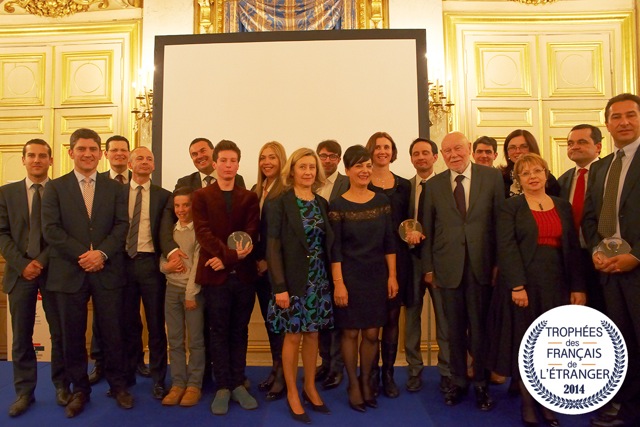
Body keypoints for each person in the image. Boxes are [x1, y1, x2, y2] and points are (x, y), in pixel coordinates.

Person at [41, 128, 132, 417]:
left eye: (93, 149)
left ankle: (118, 385)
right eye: (81, 149)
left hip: (107, 270)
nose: (88, 154)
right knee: (72, 335)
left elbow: (122, 225)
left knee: (113, 332)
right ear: (71, 152)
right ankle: (80, 389)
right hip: (70, 272)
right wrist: (85, 255)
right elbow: (51, 230)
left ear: (101, 153)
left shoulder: (115, 188)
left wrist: (101, 253)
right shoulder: (55, 187)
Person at [490, 153, 586, 426]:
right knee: (526, 344)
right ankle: (528, 405)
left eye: (537, 171)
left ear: (546, 174)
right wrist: (517, 285)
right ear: (518, 180)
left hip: (557, 285)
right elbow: (506, 248)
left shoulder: (562, 206)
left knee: (550, 345)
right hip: (524, 285)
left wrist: (578, 287)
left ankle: (547, 402)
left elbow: (573, 249)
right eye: (525, 173)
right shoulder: (510, 207)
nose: (532, 177)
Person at [421, 131, 503, 411]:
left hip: (482, 267)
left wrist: (498, 264)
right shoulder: (434, 185)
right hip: (447, 269)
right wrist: (429, 268)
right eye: (447, 151)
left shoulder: (491, 177)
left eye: (458, 148)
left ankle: (480, 383)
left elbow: (499, 224)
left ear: (469, 148)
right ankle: (458, 381)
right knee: (454, 331)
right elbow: (428, 229)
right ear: (441, 156)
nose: (453, 154)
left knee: (480, 330)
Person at [0, 139, 69, 417]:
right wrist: (23, 264)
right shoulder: (6, 193)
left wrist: (40, 261)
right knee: (21, 337)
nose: (37, 160)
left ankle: (62, 386)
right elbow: (2, 233)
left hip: (55, 272)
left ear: (51, 160)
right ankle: (24, 392)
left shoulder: (63, 193)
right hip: (20, 274)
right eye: (31, 155)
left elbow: (64, 233)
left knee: (60, 333)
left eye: (42, 156)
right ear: (23, 159)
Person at [191, 140, 260, 416]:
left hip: (244, 276)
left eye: (233, 161)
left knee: (239, 331)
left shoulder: (249, 197)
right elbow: (203, 233)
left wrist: (229, 259)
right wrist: (228, 256)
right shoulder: (201, 196)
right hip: (215, 275)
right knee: (218, 331)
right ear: (215, 163)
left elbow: (251, 233)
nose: (228, 165)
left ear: (238, 164)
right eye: (223, 160)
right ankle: (222, 386)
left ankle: (238, 383)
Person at [583, 93, 640, 427]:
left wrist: (636, 256)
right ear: (607, 124)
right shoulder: (601, 167)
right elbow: (591, 217)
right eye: (616, 117)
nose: (624, 122)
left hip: (636, 268)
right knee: (624, 344)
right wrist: (596, 250)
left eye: (630, 114)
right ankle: (628, 410)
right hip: (609, 270)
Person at [266, 148, 333, 424]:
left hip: (318, 279)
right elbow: (272, 248)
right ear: (292, 171)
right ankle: (293, 392)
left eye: (312, 167)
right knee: (292, 336)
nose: (308, 172)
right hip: (291, 281)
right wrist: (279, 287)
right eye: (302, 167)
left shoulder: (321, 203)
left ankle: (309, 387)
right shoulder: (279, 203)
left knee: (313, 334)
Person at [329, 144, 397, 412]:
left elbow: (389, 242)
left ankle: (367, 380)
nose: (365, 170)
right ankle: (353, 384)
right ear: (347, 170)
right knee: (350, 332)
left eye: (368, 165)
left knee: (371, 333)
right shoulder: (338, 205)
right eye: (359, 166)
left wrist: (392, 276)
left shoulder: (382, 201)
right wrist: (339, 284)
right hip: (349, 277)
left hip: (377, 276)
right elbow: (335, 249)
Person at [90, 135, 150, 385]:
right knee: (103, 315)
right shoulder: (97, 183)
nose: (119, 154)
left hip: (135, 259)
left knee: (132, 316)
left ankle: (136, 360)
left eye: (124, 150)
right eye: (114, 150)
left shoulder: (139, 181)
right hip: (107, 259)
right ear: (106, 154)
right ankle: (100, 362)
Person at [121, 147, 173, 399]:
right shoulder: (116, 193)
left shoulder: (164, 196)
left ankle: (159, 379)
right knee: (128, 323)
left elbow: (167, 232)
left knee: (155, 324)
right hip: (123, 264)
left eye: (149, 159)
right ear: (130, 164)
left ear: (154, 166)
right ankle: (129, 373)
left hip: (151, 265)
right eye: (139, 158)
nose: (145, 162)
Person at [403, 137, 451, 394]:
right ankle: (414, 369)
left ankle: (446, 371)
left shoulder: (446, 186)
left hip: (440, 261)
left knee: (444, 318)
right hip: (410, 260)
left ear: (435, 157)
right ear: (411, 158)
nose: (420, 157)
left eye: (425, 153)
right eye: (416, 153)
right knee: (411, 318)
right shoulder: (404, 187)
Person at [366, 131, 411, 398]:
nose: (382, 151)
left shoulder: (405, 186)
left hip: (398, 259)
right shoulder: (360, 182)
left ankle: (389, 374)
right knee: (372, 319)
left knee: (393, 318)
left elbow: (410, 222)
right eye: (377, 147)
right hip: (369, 260)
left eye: (387, 147)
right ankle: (371, 374)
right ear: (370, 151)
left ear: (393, 151)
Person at [160, 187, 205, 407]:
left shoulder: (199, 231)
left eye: (186, 205)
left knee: (195, 340)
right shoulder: (170, 230)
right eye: (177, 206)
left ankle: (194, 384)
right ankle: (178, 383)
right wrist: (165, 267)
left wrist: (190, 294)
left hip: (192, 293)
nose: (181, 210)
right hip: (171, 291)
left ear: (193, 206)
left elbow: (197, 265)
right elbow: (162, 258)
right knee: (175, 340)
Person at [252, 141, 287, 401]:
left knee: (281, 324)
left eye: (272, 157)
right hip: (258, 269)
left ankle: (283, 375)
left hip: (277, 269)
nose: (267, 162)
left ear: (282, 161)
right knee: (270, 322)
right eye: (263, 157)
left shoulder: (286, 191)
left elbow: (284, 235)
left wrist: (267, 260)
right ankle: (276, 369)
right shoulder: (257, 190)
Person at [557, 124, 605, 312]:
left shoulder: (609, 174)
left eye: (582, 142)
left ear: (598, 147)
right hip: (573, 260)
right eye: (570, 143)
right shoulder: (563, 180)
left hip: (605, 257)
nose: (574, 147)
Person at [315, 139, 349, 390]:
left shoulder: (347, 183)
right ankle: (325, 361)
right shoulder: (308, 182)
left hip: (341, 258)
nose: (327, 160)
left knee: (337, 317)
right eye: (323, 155)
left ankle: (337, 367)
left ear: (339, 159)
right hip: (315, 260)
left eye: (332, 156)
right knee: (320, 315)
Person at [500, 129, 560, 198]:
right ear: (507, 152)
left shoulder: (547, 179)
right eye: (512, 148)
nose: (518, 151)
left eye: (523, 147)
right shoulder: (501, 178)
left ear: (532, 148)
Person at [175, 137, 246, 190]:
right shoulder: (184, 183)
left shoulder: (235, 179)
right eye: (194, 154)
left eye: (203, 151)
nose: (199, 156)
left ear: (214, 152)